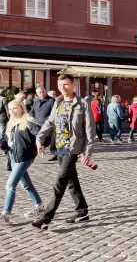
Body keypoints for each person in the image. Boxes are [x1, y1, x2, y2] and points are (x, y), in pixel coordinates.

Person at [32, 74, 96, 229]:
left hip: (72, 149)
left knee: (60, 182)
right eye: (60, 85)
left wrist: (87, 153)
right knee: (72, 181)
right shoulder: (58, 102)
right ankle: (82, 210)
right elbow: (50, 122)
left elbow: (90, 130)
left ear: (73, 84)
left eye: (65, 84)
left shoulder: (82, 104)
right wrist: (39, 139)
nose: (62, 87)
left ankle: (47, 217)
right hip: (59, 148)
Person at [1, 100, 46, 223]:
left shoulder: (28, 121)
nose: (12, 111)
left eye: (14, 108)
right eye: (10, 109)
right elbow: (6, 142)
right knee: (26, 185)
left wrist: (40, 144)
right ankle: (40, 205)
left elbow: (39, 134)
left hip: (25, 157)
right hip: (13, 158)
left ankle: (6, 212)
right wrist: (2, 144)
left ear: (21, 108)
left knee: (10, 185)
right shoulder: (10, 123)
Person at [30, 87, 55, 160]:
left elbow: (54, 113)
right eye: (40, 92)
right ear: (37, 94)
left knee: (48, 139)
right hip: (37, 123)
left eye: (43, 92)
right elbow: (32, 111)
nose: (42, 94)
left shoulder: (51, 100)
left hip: (47, 124)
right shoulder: (36, 101)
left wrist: (48, 120)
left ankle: (54, 153)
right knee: (38, 138)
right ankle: (38, 151)